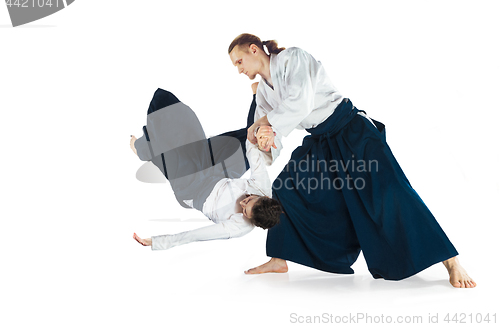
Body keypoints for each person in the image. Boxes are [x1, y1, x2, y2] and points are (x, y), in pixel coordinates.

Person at [228, 33, 476, 288]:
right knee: (285, 187)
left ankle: (451, 261)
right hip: (321, 141)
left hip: (351, 131)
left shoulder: (293, 58)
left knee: (392, 193)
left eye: (239, 61)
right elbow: (269, 137)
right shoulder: (263, 97)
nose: (239, 69)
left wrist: (265, 124)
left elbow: (300, 104)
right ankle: (279, 258)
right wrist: (266, 140)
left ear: (254, 49)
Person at [131, 87, 281, 250]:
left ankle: (143, 149)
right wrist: (258, 134)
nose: (243, 203)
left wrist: (157, 241)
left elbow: (195, 235)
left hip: (192, 189)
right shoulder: (263, 187)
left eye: (245, 211)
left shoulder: (238, 227)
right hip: (218, 175)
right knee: (249, 143)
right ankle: (258, 94)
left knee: (174, 151)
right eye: (249, 200)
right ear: (263, 197)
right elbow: (252, 150)